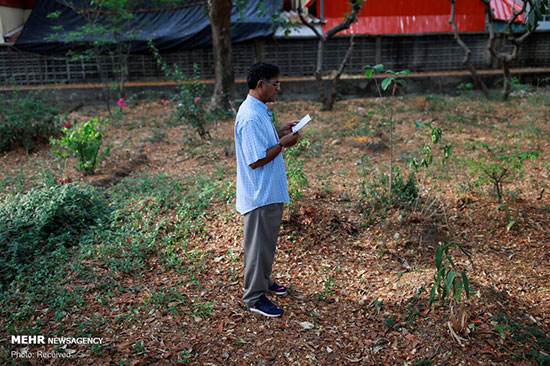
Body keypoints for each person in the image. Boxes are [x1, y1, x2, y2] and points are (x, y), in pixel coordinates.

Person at [234, 62, 300, 317]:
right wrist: (283, 142)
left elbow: (263, 141)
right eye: (275, 84)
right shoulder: (250, 116)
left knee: (265, 244)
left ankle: (263, 281)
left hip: (267, 191)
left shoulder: (258, 109)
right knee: (257, 246)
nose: (278, 89)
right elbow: (256, 158)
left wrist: (280, 132)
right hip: (259, 194)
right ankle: (253, 296)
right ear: (260, 85)